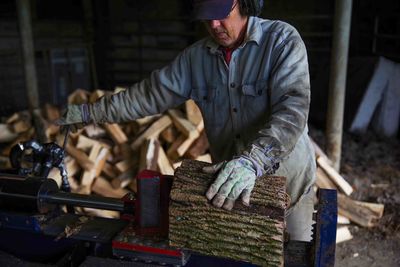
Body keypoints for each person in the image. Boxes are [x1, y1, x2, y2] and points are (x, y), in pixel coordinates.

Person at [58, 0, 316, 241]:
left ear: (244, 3)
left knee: (297, 253)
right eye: (207, 18)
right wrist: (90, 113)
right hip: (230, 190)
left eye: (221, 14)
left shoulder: (281, 41)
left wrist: (254, 161)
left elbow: (292, 111)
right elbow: (146, 96)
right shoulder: (196, 59)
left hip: (288, 185)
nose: (214, 26)